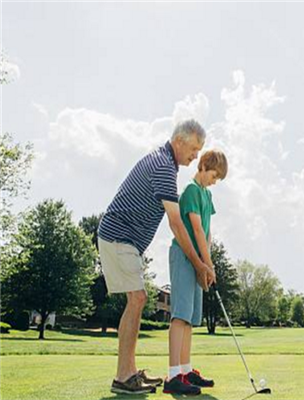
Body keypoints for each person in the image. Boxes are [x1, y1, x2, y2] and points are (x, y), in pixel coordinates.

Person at [98, 120, 216, 395]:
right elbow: (176, 223)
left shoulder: (165, 163)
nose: (196, 155)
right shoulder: (164, 166)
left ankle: (129, 372)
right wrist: (199, 264)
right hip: (118, 236)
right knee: (137, 299)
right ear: (179, 141)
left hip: (126, 240)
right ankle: (123, 376)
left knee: (137, 299)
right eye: (195, 148)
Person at [164, 150, 228, 395]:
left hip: (199, 260)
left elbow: (209, 233)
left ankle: (186, 370)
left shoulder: (207, 194)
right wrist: (208, 264)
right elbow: (197, 230)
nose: (215, 181)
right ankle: (173, 376)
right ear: (203, 166)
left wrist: (207, 262)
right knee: (180, 315)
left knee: (190, 318)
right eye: (214, 175)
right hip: (183, 255)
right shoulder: (191, 190)